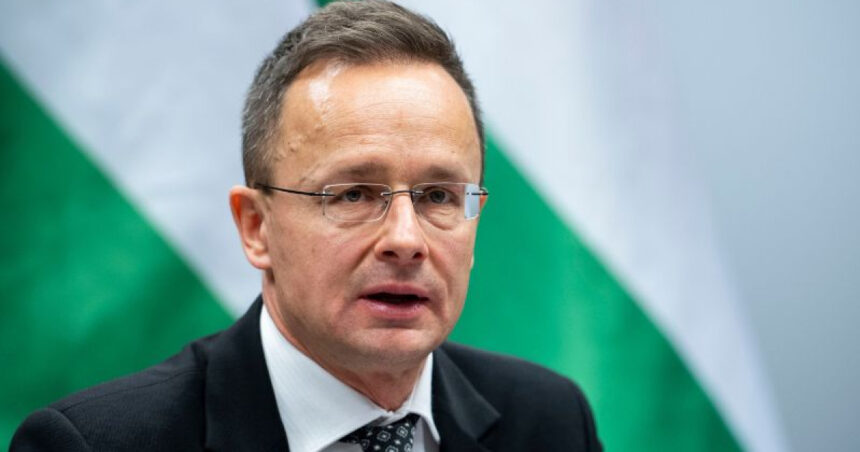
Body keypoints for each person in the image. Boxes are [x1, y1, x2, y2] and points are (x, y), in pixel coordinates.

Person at [11, 1, 601, 451]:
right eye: (353, 194)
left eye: (439, 196)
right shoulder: (94, 443)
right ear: (256, 227)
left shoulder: (549, 421)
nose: (405, 240)